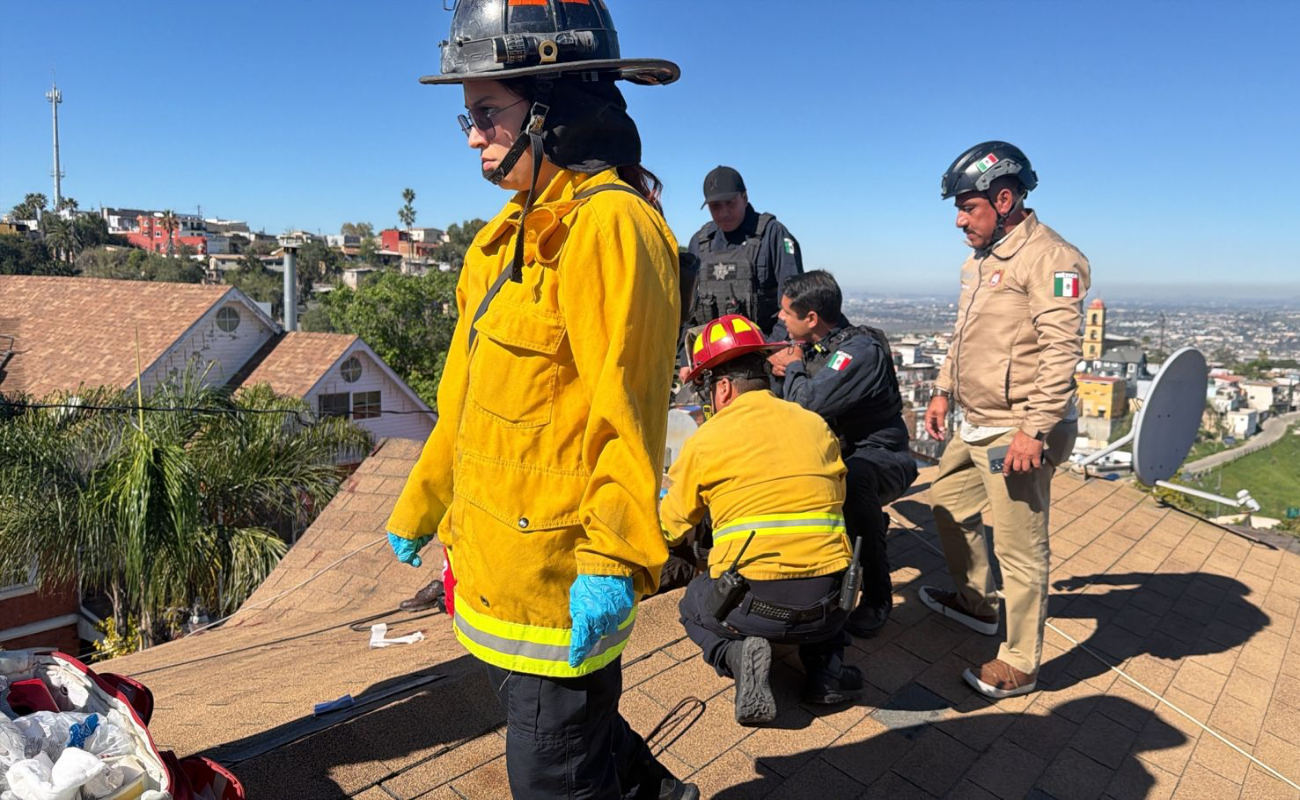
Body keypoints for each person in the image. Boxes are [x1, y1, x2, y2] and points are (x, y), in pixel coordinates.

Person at [384, 3, 696, 797]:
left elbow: (628, 415)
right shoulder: (503, 238)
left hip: (561, 580)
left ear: (554, 111)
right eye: (467, 115)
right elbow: (466, 402)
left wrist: (610, 559)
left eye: (487, 112)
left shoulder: (612, 228)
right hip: (500, 564)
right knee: (578, 737)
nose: (471, 135)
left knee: (552, 775)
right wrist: (425, 506)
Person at [922, 141, 1088, 699]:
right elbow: (964, 334)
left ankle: (1020, 662)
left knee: (1020, 548)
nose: (958, 219)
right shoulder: (982, 259)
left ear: (1006, 198)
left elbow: (1063, 353)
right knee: (947, 502)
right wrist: (944, 389)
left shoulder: (1053, 259)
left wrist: (1033, 431)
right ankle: (977, 603)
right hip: (979, 417)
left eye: (968, 207)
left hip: (1019, 427)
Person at [663, 314, 863, 726]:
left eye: (708, 388)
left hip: (752, 607)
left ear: (723, 388)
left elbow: (671, 525)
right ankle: (825, 673)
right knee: (825, 564)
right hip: (832, 603)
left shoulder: (707, 440)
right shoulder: (815, 424)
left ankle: (734, 655)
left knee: (692, 603)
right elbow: (836, 500)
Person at [767, 271, 918, 639]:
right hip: (840, 455)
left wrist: (794, 366)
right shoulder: (816, 346)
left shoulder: (858, 352)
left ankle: (878, 596)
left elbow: (807, 403)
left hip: (882, 458)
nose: (780, 318)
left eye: (787, 313)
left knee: (855, 480)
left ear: (812, 318)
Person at [676, 166, 803, 381]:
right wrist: (686, 359)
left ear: (744, 198)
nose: (724, 212)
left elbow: (795, 301)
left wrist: (773, 351)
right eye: (715, 206)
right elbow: (688, 312)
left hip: (765, 363)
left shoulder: (772, 234)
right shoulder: (699, 242)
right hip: (715, 365)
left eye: (730, 203)